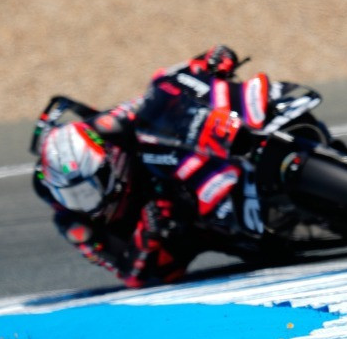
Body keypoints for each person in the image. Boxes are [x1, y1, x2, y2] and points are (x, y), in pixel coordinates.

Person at [32, 45, 280, 288]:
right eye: (71, 196)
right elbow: (129, 274)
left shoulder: (109, 127)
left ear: (107, 164)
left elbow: (160, 94)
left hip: (174, 170)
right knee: (264, 251)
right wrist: (146, 235)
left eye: (87, 190)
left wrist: (204, 64)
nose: (86, 203)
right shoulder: (74, 223)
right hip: (177, 228)